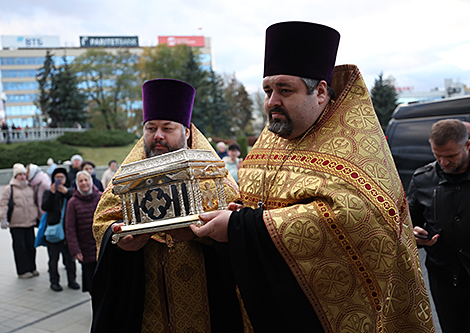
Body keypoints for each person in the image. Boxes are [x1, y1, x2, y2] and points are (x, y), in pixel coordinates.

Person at [190, 22, 435, 332]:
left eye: (285, 90)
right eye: (268, 90)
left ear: (320, 91)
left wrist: (242, 228)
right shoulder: (273, 137)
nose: (271, 102)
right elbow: (256, 200)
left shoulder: (356, 144)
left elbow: (360, 218)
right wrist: (236, 217)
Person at [91, 79, 243, 332]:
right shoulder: (126, 177)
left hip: (204, 300)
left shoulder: (213, 176)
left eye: (167, 128)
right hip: (147, 305)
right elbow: (102, 222)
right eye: (150, 128)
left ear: (186, 131)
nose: (157, 136)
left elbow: (235, 226)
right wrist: (119, 239)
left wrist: (205, 234)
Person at [408, 119, 470, 332]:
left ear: (468, 145)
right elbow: (408, 224)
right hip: (443, 278)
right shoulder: (422, 179)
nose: (443, 162)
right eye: (437, 155)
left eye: (451, 156)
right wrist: (415, 234)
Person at [42, 167, 80, 292]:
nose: (59, 180)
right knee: (53, 259)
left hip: (69, 231)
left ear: (66, 179)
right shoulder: (48, 192)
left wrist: (66, 193)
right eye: (57, 177)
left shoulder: (70, 192)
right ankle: (54, 282)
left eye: (61, 177)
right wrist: (53, 194)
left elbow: (76, 203)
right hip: (54, 231)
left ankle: (72, 280)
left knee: (70, 258)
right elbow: (45, 207)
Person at [0, 163, 40, 279]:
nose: (22, 177)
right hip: (16, 224)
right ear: (15, 176)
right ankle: (23, 271)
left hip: (30, 223)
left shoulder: (30, 187)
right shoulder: (9, 189)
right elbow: (3, 204)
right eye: (19, 175)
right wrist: (3, 218)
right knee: (20, 248)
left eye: (24, 174)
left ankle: (32, 268)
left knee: (31, 246)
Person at [65, 171, 102, 294]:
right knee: (93, 285)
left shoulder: (101, 197)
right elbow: (70, 228)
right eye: (80, 181)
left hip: (102, 248)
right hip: (86, 250)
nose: (84, 183)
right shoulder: (73, 203)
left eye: (86, 180)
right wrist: (75, 250)